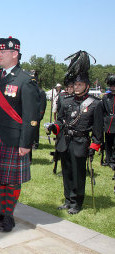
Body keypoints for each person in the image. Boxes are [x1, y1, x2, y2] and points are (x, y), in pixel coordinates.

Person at [0, 36, 40, 232]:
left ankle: (9, 216)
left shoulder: (25, 80)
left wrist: (26, 143)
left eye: (2, 52)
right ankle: (0, 210)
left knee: (11, 181)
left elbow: (31, 115)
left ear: (14, 54)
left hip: (13, 139)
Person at [47, 51, 103, 215]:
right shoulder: (66, 100)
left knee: (78, 174)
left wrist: (94, 146)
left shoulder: (95, 104)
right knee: (67, 172)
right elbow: (61, 121)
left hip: (81, 143)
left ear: (87, 85)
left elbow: (98, 130)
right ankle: (68, 199)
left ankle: (77, 202)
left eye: (80, 85)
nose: (76, 87)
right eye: (75, 85)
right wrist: (53, 127)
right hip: (65, 141)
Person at [102, 73, 115, 167]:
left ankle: (113, 160)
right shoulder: (106, 97)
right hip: (107, 123)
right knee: (108, 143)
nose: (112, 87)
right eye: (111, 85)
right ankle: (108, 158)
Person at [32, 70, 46, 150]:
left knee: (35, 129)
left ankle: (35, 143)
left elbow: (42, 105)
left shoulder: (41, 92)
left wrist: (40, 115)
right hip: (29, 113)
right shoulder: (29, 90)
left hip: (36, 114)